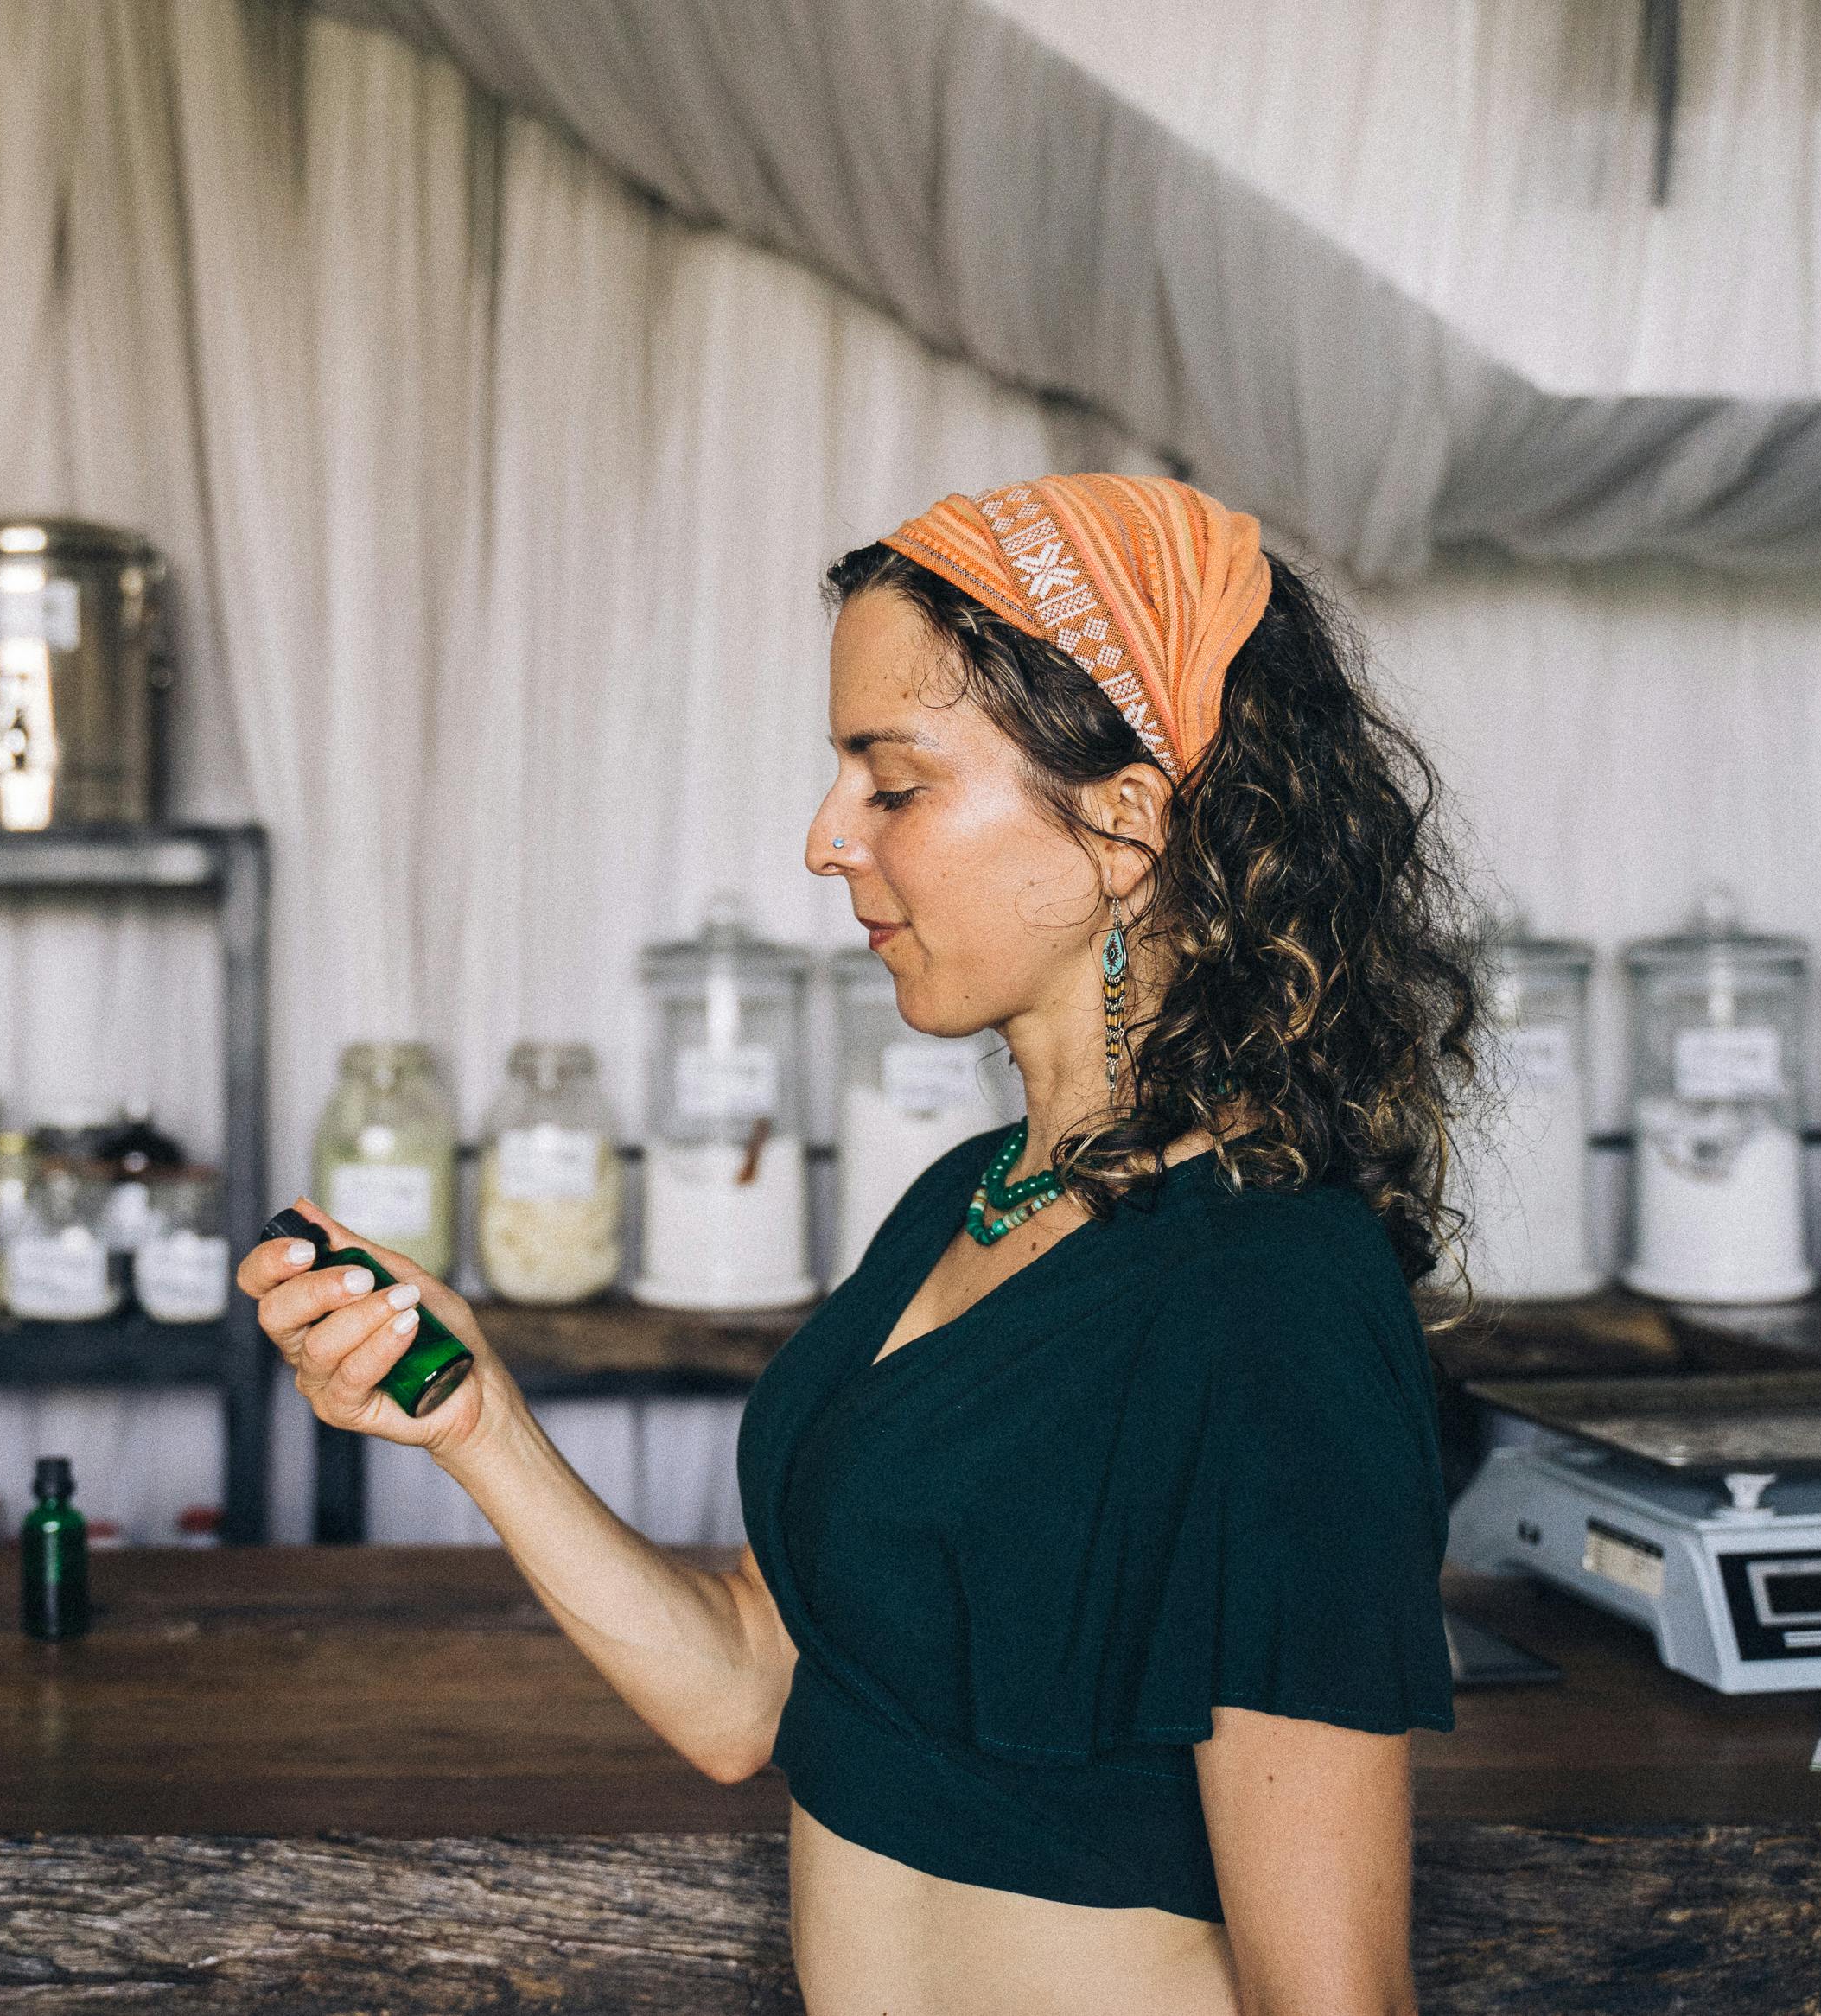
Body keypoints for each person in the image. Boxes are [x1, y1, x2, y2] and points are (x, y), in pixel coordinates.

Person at [238, 473, 1479, 2015]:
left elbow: (1335, 2000)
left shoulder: (1272, 1298)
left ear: (1124, 820)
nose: (828, 841)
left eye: (891, 783)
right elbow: (751, 1687)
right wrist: (477, 1419)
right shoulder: (969, 1199)